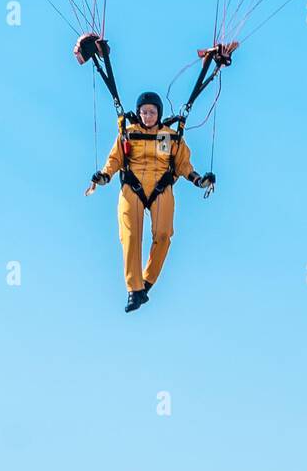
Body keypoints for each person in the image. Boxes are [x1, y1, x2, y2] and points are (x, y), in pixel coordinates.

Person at [86, 89, 214, 312]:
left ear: (159, 113)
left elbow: (184, 165)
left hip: (160, 186)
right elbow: (115, 159)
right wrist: (104, 176)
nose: (147, 116)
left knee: (163, 235)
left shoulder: (167, 136)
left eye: (152, 112)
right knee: (131, 235)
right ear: (139, 113)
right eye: (144, 112)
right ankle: (134, 290)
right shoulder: (129, 133)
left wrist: (200, 181)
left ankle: (146, 284)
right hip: (132, 186)